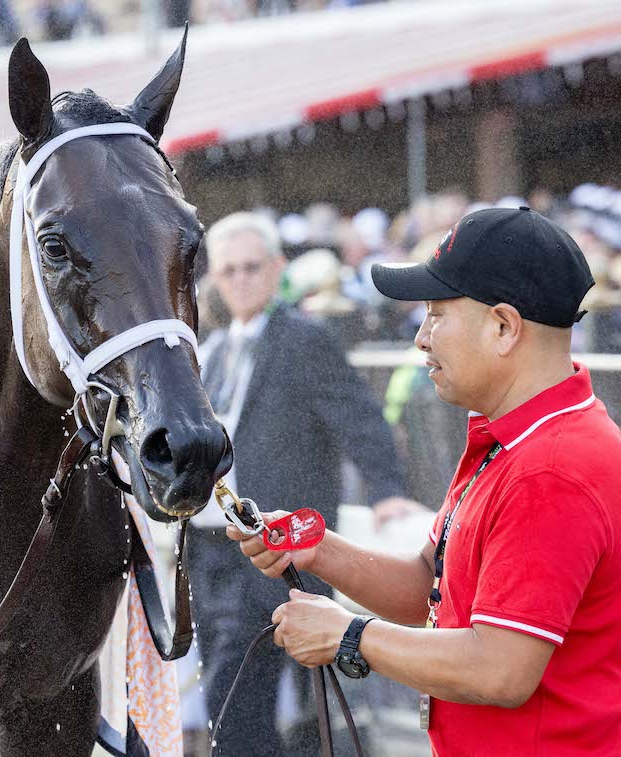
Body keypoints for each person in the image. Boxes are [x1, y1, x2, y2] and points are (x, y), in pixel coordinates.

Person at [229, 206, 621, 755]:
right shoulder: (518, 440)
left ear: (504, 327)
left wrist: (348, 634)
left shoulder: (552, 466)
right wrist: (318, 550)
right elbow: (432, 591)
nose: (421, 337)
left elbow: (501, 668)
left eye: (436, 313)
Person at [187, 212, 417, 756]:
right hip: (212, 547)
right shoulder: (214, 349)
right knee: (235, 685)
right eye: (229, 271)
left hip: (285, 544)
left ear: (275, 269)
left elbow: (359, 417)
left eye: (251, 267)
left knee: (264, 685)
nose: (240, 280)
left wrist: (385, 489)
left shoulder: (302, 339)